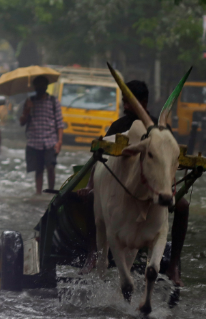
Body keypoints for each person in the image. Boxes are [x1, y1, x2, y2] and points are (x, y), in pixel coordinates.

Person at [78, 80, 187, 287]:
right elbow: (99, 159)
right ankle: (93, 252)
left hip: (155, 187)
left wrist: (170, 189)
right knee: (91, 197)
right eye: (124, 101)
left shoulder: (161, 128)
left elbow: (170, 163)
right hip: (121, 189)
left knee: (183, 206)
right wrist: (90, 184)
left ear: (143, 103)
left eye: (129, 102)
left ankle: (173, 265)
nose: (124, 106)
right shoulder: (119, 126)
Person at [20, 76, 66, 195]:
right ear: (35, 87)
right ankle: (38, 193)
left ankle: (50, 192)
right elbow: (22, 122)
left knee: (51, 167)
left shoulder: (53, 101)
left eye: (42, 85)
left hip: (50, 141)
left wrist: (59, 141)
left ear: (46, 87)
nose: (40, 88)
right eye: (37, 86)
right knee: (38, 170)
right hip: (34, 142)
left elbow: (59, 123)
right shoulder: (29, 101)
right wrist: (26, 111)